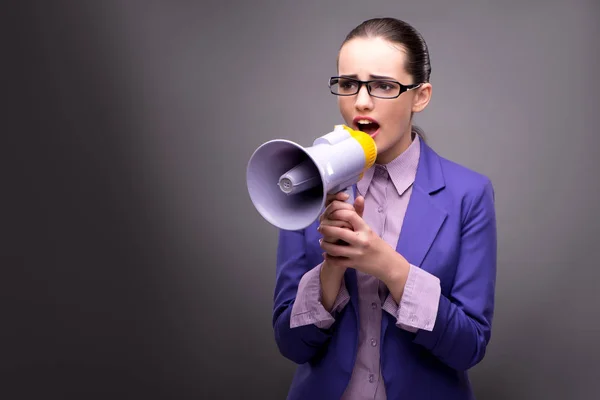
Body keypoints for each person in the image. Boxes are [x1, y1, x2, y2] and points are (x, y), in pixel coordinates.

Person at [272, 17, 497, 400]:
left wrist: (388, 267)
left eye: (383, 86)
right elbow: (291, 345)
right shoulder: (309, 183)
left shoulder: (469, 194)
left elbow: (468, 346)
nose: (361, 101)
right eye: (348, 84)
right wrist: (332, 269)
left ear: (420, 96)